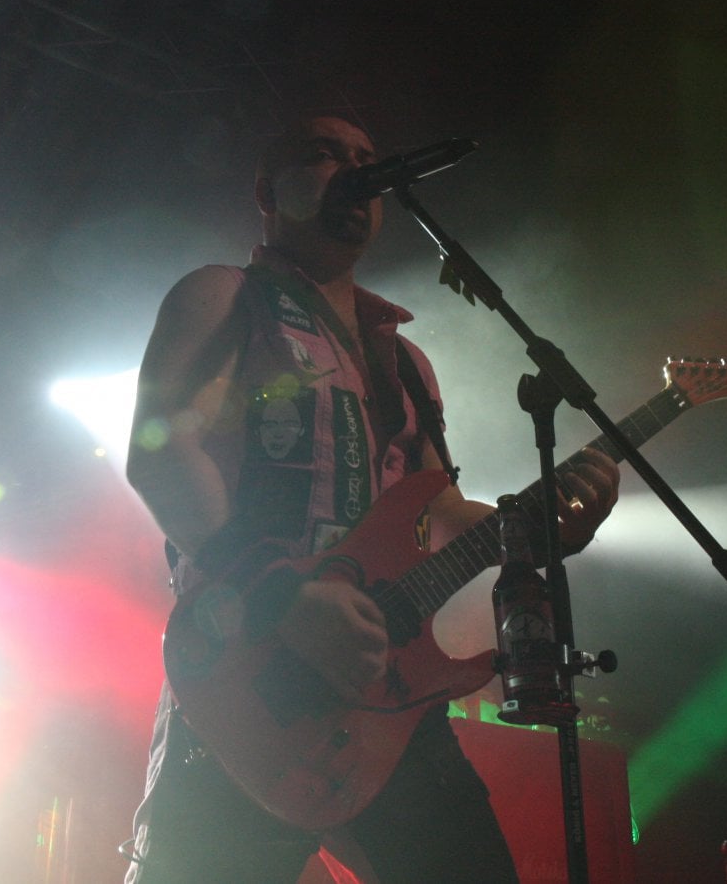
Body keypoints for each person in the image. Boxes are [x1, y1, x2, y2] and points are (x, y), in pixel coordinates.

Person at [122, 115, 620, 883]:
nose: (355, 171)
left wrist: (538, 530)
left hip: (386, 690)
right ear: (267, 191)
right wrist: (282, 594)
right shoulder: (223, 295)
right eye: (324, 155)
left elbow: (438, 514)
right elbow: (159, 452)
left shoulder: (406, 360)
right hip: (249, 673)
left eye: (365, 159)